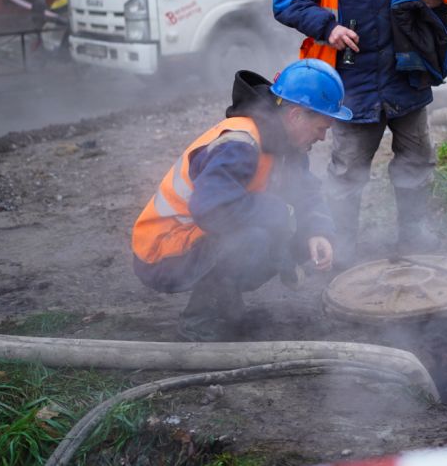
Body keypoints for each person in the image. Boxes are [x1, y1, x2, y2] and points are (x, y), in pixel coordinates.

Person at [272, 0, 441, 263]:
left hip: (407, 78)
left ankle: (413, 235)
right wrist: (327, 26)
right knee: (347, 173)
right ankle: (340, 245)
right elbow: (284, 0)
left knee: (417, 158)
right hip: (352, 86)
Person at [130, 59, 352, 342]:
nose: (322, 137)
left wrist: (317, 232)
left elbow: (306, 191)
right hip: (162, 251)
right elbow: (210, 208)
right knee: (254, 237)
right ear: (296, 116)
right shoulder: (240, 142)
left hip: (193, 239)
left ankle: (227, 308)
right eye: (321, 128)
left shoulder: (287, 144)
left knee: (276, 233)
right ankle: (200, 321)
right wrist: (275, 213)